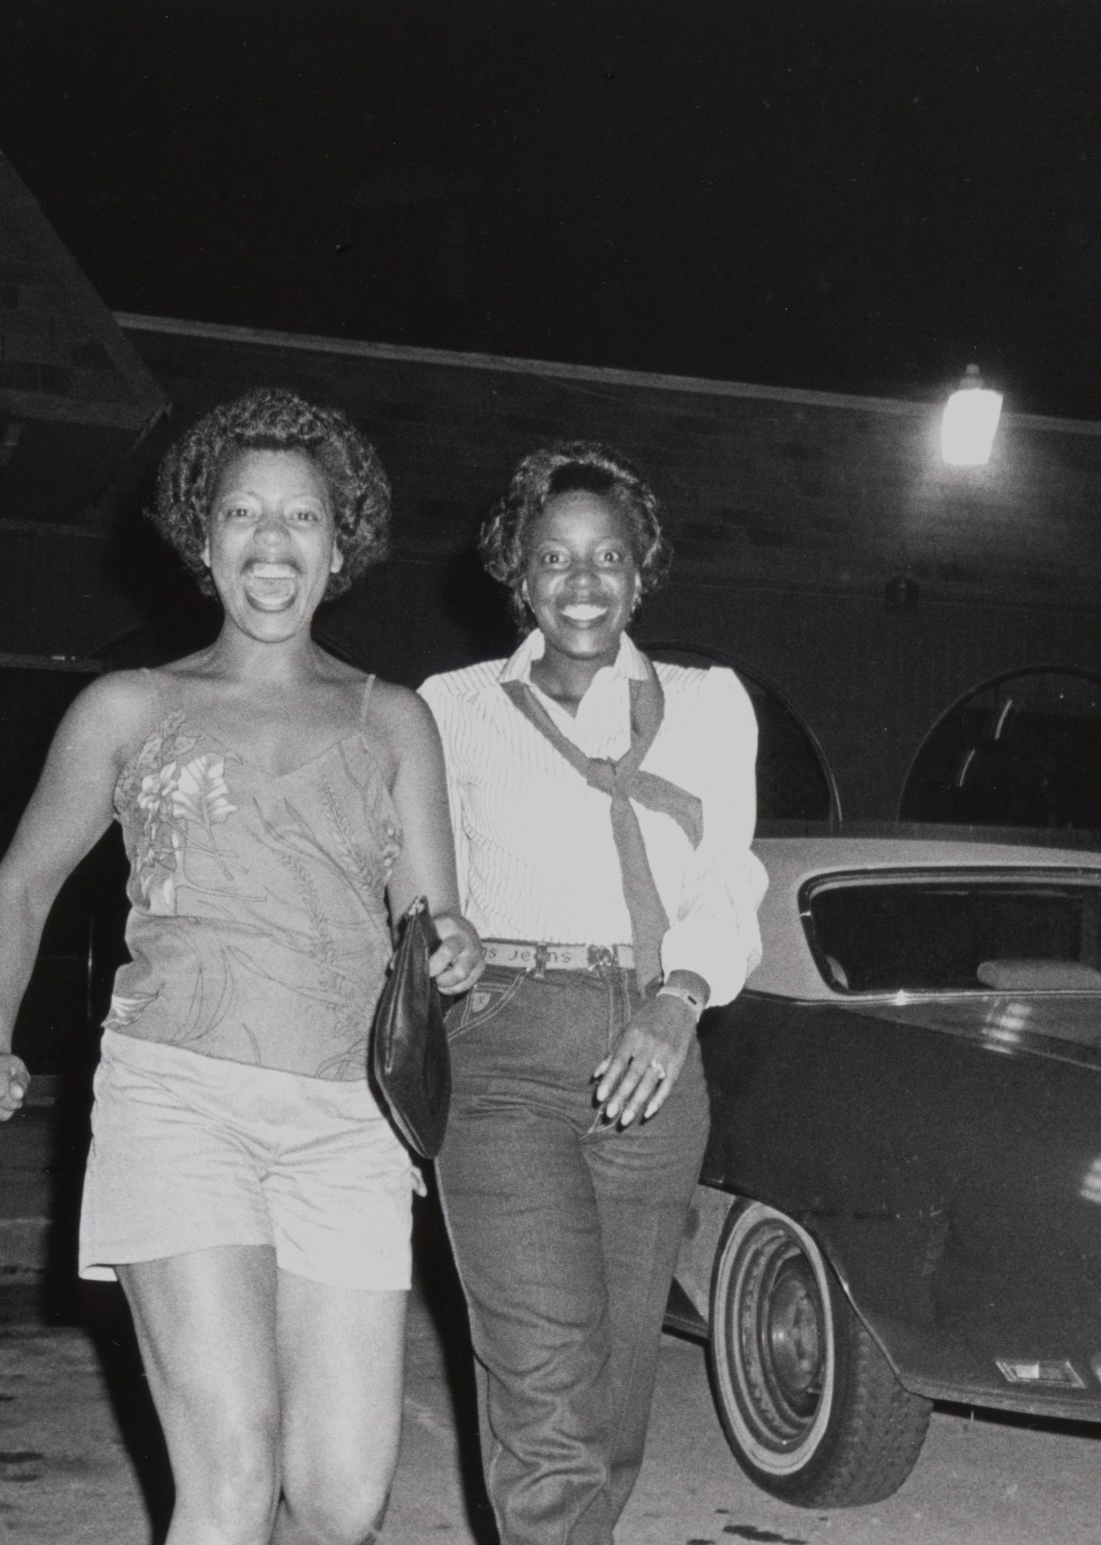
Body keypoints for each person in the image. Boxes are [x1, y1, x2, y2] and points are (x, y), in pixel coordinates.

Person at [0, 387, 482, 1545]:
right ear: (203, 539)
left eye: (300, 517)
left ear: (340, 546)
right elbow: (21, 889)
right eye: (243, 513)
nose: (271, 542)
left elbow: (432, 922)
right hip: (176, 1100)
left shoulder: (393, 720)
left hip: (348, 1118)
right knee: (231, 1481)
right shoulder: (130, 707)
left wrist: (452, 950)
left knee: (341, 1502)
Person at [418, 441, 767, 1545]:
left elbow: (729, 879)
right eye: (554, 558)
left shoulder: (708, 705)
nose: (582, 581)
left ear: (640, 570)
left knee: (613, 1398)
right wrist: (440, 933)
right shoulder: (450, 705)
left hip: (655, 1050)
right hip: (505, 1047)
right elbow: (419, 885)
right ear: (515, 576)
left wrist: (676, 1004)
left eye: (607, 556)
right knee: (546, 1384)